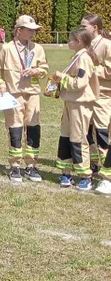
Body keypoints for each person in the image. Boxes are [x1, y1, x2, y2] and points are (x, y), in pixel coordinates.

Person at [0, 15, 49, 183]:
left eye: (34, 30)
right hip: (13, 95)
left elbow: (45, 69)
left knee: (33, 129)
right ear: (18, 30)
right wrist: (1, 84)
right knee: (15, 129)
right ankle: (15, 165)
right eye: (29, 30)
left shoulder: (37, 48)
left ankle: (31, 165)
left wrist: (36, 71)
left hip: (32, 94)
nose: (33, 33)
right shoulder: (7, 48)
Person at [55, 29, 99, 190]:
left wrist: (62, 78)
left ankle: (85, 175)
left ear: (79, 42)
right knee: (66, 137)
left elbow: (80, 83)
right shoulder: (77, 56)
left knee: (78, 138)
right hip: (70, 102)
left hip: (80, 104)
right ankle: (66, 172)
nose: (68, 42)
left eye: (71, 39)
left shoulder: (85, 58)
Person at [81, 15, 111, 192]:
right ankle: (93, 165)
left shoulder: (107, 45)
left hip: (104, 96)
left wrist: (90, 69)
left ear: (95, 28)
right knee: (86, 133)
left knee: (102, 134)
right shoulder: (85, 44)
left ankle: (107, 176)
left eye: (84, 26)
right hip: (87, 96)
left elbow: (109, 70)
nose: (81, 29)